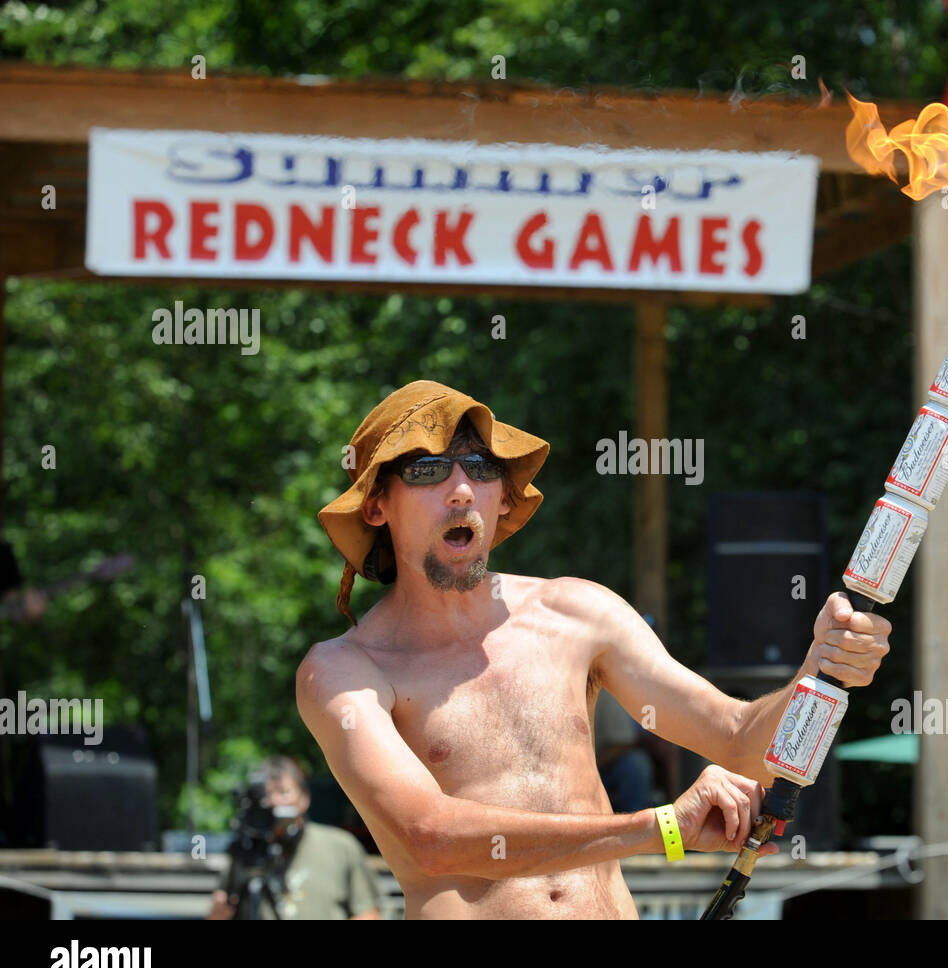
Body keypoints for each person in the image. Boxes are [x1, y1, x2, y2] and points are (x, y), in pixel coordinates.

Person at [297, 380, 891, 919]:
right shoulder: (344, 671)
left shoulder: (578, 613)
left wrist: (818, 671)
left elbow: (739, 739)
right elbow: (430, 835)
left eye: (479, 467)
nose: (460, 490)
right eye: (427, 470)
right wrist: (664, 827)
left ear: (503, 496)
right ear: (376, 505)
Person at [208, 756, 382, 920]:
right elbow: (219, 912)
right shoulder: (246, 851)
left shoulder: (339, 846)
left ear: (304, 798)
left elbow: (368, 914)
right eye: (267, 795)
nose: (274, 802)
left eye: (283, 792)